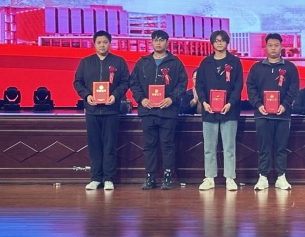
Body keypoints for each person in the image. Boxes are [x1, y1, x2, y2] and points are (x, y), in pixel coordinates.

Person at [129, 30, 188, 190]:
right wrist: (142, 99)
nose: (158, 43)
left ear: (167, 42)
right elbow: (133, 83)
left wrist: (171, 98)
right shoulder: (143, 62)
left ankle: (167, 177)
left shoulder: (175, 63)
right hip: (147, 110)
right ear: (151, 42)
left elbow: (182, 84)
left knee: (167, 145)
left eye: (161, 40)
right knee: (149, 145)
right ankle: (150, 177)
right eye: (155, 40)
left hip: (168, 111)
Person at [73, 30, 130, 191]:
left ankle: (109, 178)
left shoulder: (118, 62)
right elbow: (77, 82)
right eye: (99, 42)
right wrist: (87, 95)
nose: (102, 45)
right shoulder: (86, 62)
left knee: (110, 145)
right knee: (94, 145)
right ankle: (96, 178)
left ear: (110, 44)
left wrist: (115, 95)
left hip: (111, 110)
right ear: (94, 44)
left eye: (105, 42)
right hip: (92, 110)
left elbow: (126, 82)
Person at [246, 33, 300, 190]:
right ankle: (262, 177)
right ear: (266, 47)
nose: (273, 48)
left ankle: (281, 176)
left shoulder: (290, 68)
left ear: (281, 46)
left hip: (282, 115)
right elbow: (251, 88)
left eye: (276, 45)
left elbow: (293, 89)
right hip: (262, 115)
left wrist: (285, 105)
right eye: (270, 45)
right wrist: (258, 105)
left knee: (281, 147)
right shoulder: (257, 68)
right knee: (264, 147)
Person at [195, 30, 244, 191]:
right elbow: (199, 85)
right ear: (212, 43)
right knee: (209, 147)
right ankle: (209, 178)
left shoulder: (235, 62)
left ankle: (230, 177)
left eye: (222, 40)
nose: (220, 43)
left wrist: (230, 103)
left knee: (229, 147)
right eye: (216, 40)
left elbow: (238, 86)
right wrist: (203, 102)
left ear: (227, 42)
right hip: (209, 110)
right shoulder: (205, 63)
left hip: (229, 111)